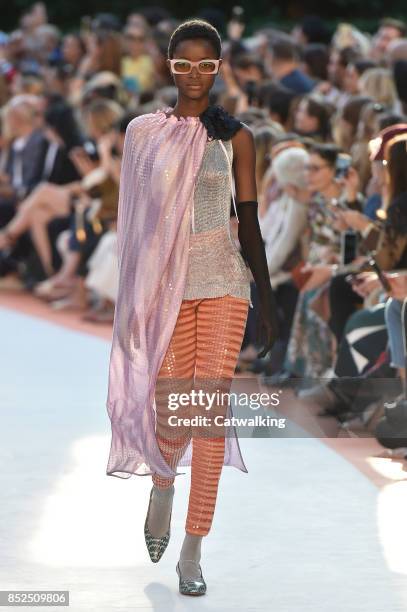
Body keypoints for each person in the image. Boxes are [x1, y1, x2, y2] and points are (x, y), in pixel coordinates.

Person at [105, 18, 278, 597]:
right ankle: (161, 483)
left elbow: (248, 221)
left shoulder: (236, 137)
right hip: (168, 284)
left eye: (207, 64)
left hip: (226, 276)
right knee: (174, 413)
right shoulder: (143, 134)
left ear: (220, 67)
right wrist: (132, 300)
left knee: (209, 416)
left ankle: (194, 547)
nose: (196, 74)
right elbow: (136, 225)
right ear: (169, 65)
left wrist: (269, 295)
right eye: (185, 64)